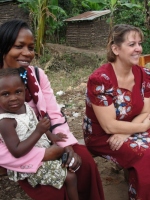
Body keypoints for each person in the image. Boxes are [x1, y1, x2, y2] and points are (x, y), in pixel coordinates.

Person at [0, 19, 104, 200]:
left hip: (47, 139)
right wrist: (42, 155)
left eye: (31, 48)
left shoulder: (37, 76)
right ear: (3, 48)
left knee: (84, 163)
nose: (27, 53)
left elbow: (53, 114)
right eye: (19, 46)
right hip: (18, 151)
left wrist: (66, 146)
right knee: (53, 191)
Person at [83, 23, 150, 200]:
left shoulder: (144, 74)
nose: (138, 49)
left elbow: (145, 111)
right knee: (145, 154)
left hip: (132, 126)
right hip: (102, 136)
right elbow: (109, 126)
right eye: (132, 44)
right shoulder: (100, 80)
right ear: (115, 49)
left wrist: (127, 133)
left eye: (140, 44)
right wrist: (142, 127)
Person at [0, 68, 80, 200]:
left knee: (73, 165)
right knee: (71, 177)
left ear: (25, 91)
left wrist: (52, 136)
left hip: (42, 151)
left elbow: (36, 125)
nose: (13, 98)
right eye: (5, 94)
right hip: (28, 164)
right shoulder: (6, 122)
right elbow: (17, 151)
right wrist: (38, 131)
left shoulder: (24, 106)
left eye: (18, 92)